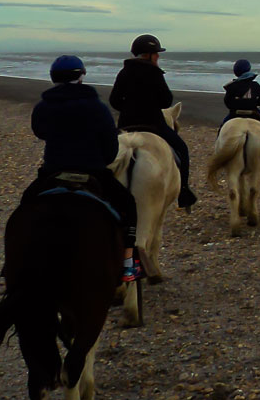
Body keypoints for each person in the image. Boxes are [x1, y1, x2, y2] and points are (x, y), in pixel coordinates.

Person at [21, 54, 142, 282]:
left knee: (27, 205)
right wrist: (102, 159)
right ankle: (127, 265)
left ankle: (21, 260)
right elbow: (110, 146)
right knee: (127, 205)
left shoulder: (43, 107)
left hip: (53, 171)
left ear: (53, 78)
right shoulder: (97, 107)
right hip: (93, 171)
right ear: (81, 77)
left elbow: (40, 132)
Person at [109, 34, 197, 209]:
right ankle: (183, 191)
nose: (158, 56)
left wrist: (129, 107)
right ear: (148, 54)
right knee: (182, 150)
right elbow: (166, 100)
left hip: (126, 125)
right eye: (156, 53)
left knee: (108, 154)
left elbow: (114, 101)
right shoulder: (154, 72)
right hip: (153, 125)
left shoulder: (124, 71)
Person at [220, 58, 260, 153]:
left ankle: (220, 148)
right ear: (248, 70)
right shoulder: (255, 85)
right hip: (253, 112)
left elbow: (227, 102)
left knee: (223, 126)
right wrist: (255, 103)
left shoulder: (232, 86)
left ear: (236, 72)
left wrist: (236, 106)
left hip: (235, 113)